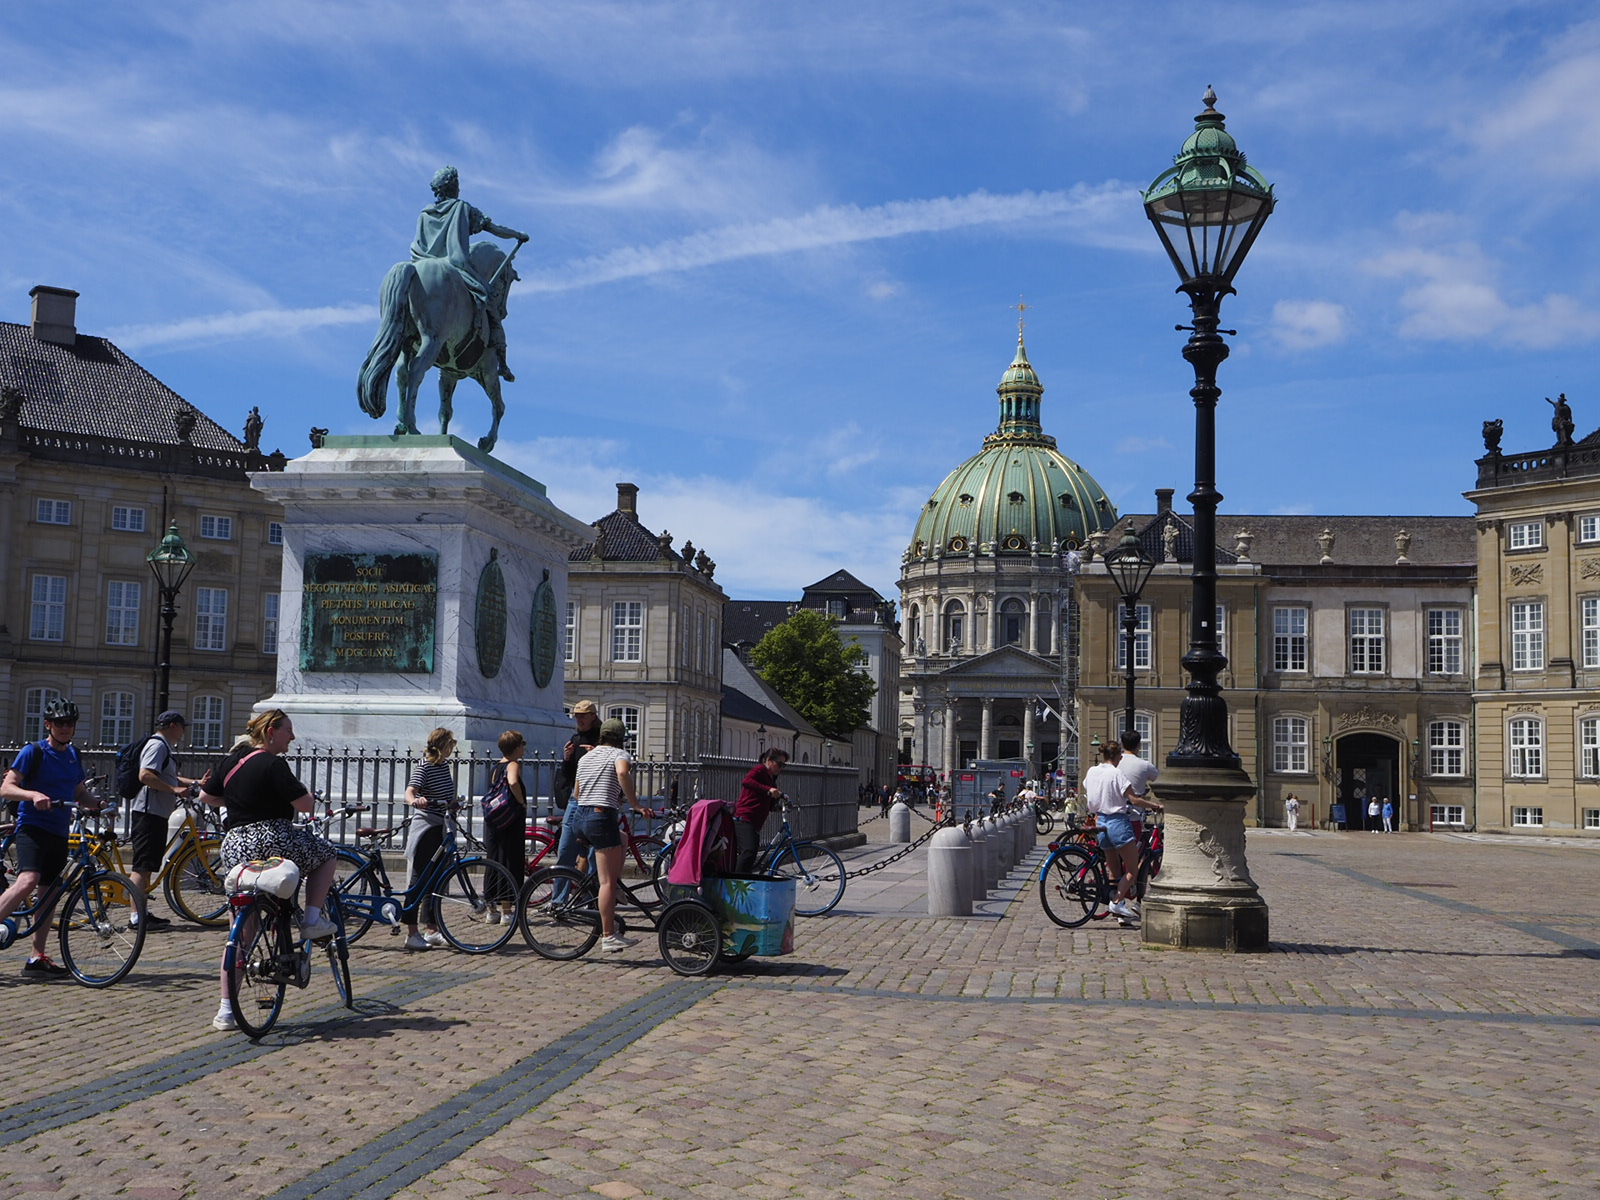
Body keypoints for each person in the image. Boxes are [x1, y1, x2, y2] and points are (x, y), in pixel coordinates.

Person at [199, 709, 337, 1030]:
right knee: (326, 855)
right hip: (274, 840)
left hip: (235, 845)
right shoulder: (274, 764)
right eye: (289, 730)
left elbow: (207, 796)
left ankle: (225, 1011)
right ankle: (312, 921)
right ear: (272, 732)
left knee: (240, 933)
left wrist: (240, 801)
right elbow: (305, 806)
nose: (293, 736)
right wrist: (307, 796)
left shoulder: (232, 760)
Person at [0, 698, 96, 978]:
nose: (65, 728)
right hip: (33, 827)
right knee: (28, 880)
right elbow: (6, 788)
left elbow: (78, 792)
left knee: (50, 894)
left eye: (69, 723)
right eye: (59, 723)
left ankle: (36, 957)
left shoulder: (73, 755)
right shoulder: (34, 752)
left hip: (59, 831)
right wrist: (33, 795)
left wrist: (98, 805)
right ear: (48, 724)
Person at [412, 166, 529, 382]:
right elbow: (495, 229)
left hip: (419, 264)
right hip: (456, 266)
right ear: (455, 187)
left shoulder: (424, 213)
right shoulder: (462, 208)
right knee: (490, 305)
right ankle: (501, 363)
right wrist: (518, 235)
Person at [571, 718, 647, 952]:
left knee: (622, 838)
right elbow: (622, 773)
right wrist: (634, 803)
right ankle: (608, 936)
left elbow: (577, 791)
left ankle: (614, 890)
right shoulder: (619, 754)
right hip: (600, 818)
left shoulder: (586, 757)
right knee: (607, 882)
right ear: (621, 738)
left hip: (580, 817)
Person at [129, 710, 204, 929]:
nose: (184, 732)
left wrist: (193, 782)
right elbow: (145, 775)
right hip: (148, 812)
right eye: (183, 727)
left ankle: (142, 912)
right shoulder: (158, 745)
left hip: (157, 812)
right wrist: (173, 789)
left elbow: (167, 775)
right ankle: (136, 916)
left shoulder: (164, 747)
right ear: (173, 726)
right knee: (142, 867)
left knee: (148, 865)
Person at [1083, 739, 1162, 927]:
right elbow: (1134, 800)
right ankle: (1117, 902)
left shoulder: (1092, 771)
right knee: (1132, 869)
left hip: (1100, 821)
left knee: (1115, 871)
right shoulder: (1117, 773)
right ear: (1118, 756)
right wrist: (1156, 806)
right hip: (1117, 823)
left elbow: (1089, 788)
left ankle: (1120, 909)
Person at [402, 727, 458, 951]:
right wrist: (416, 801)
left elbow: (446, 795)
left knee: (435, 882)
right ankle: (411, 932)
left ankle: (432, 929)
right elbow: (409, 792)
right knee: (418, 880)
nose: (452, 748)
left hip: (441, 828)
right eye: (451, 744)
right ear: (443, 745)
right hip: (426, 828)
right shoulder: (424, 766)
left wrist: (453, 803)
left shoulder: (444, 767)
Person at [483, 730, 527, 924]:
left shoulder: (496, 767)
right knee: (510, 861)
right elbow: (513, 781)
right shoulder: (513, 765)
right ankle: (507, 912)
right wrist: (521, 801)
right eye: (522, 744)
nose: (524, 747)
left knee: (494, 861)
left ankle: (492, 909)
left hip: (495, 821)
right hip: (510, 821)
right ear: (517, 747)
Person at [555, 702, 602, 876]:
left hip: (597, 799)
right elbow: (568, 774)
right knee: (566, 850)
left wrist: (597, 754)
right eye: (577, 716)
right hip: (576, 798)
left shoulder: (602, 739)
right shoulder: (576, 739)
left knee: (593, 856)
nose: (579, 719)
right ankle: (558, 901)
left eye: (583, 716)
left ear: (593, 716)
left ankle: (590, 896)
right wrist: (567, 758)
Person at [734, 749, 789, 874]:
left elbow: (765, 802)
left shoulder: (770, 777)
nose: (781, 768)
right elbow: (746, 781)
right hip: (745, 817)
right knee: (748, 851)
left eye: (784, 765)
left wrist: (779, 806)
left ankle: (745, 880)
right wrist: (768, 789)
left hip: (754, 821)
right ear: (769, 761)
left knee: (751, 854)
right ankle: (736, 884)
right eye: (780, 764)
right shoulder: (759, 770)